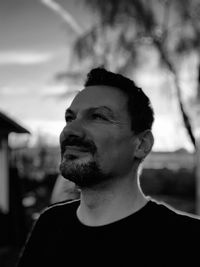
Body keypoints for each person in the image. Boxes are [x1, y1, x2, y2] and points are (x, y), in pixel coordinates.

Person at [17, 67, 200, 267]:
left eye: (98, 117)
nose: (70, 130)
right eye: (70, 118)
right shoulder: (49, 225)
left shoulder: (188, 240)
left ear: (142, 144)